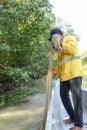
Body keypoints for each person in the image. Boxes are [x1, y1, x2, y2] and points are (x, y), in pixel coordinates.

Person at [48, 27, 84, 130]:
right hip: (64, 76)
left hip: (74, 74)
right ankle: (72, 117)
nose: (52, 42)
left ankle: (79, 124)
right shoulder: (60, 49)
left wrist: (61, 43)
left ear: (58, 35)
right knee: (63, 96)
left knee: (77, 99)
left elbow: (72, 51)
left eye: (53, 39)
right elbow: (60, 64)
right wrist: (54, 73)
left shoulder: (70, 39)